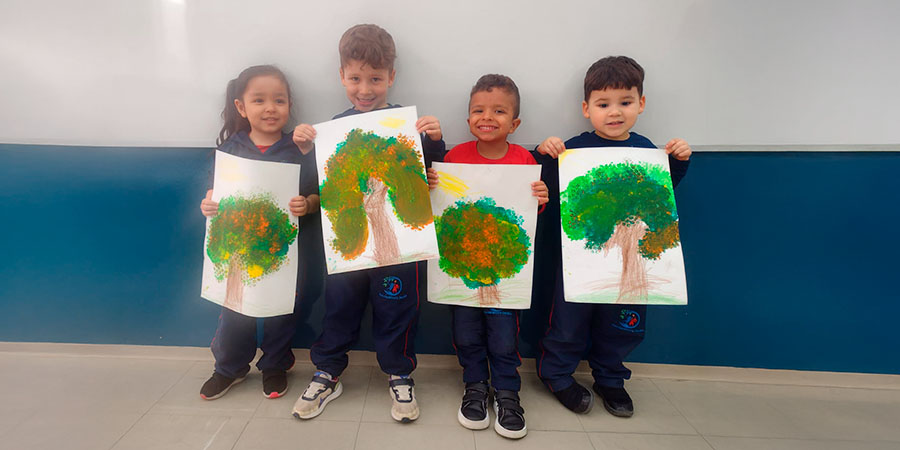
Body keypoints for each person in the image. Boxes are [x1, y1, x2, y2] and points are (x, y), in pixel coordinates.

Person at [290, 24, 445, 423]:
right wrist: (308, 149)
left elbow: (428, 178)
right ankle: (328, 371)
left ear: (391, 77)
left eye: (375, 78)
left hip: (398, 247)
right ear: (342, 76)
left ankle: (399, 371)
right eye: (355, 78)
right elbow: (319, 185)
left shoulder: (406, 127)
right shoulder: (332, 131)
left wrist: (434, 143)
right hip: (350, 242)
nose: (365, 88)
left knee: (398, 308)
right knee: (339, 306)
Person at [533, 56, 692, 417]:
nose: (615, 112)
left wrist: (678, 161)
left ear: (641, 103)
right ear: (586, 108)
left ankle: (611, 378)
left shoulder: (648, 151)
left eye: (625, 102)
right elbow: (548, 193)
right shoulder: (573, 149)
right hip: (580, 259)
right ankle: (556, 374)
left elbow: (662, 198)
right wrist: (546, 154)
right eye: (603, 104)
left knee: (623, 324)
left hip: (633, 260)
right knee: (568, 322)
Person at [430, 74, 547, 439]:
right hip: (463, 271)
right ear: (468, 119)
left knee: (502, 336)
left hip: (504, 275)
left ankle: (509, 393)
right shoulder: (454, 157)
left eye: (499, 111)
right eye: (479, 110)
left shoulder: (525, 160)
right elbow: (444, 208)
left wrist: (540, 199)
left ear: (515, 123)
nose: (488, 117)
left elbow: (526, 219)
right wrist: (433, 186)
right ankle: (475, 387)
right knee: (465, 333)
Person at [199, 65, 320, 400]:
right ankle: (229, 367)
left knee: (281, 309)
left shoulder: (298, 149)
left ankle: (275, 365)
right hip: (238, 249)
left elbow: (315, 194)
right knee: (235, 308)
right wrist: (208, 205)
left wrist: (306, 205)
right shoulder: (230, 151)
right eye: (259, 100)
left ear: (289, 105)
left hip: (282, 251)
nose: (270, 108)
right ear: (242, 107)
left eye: (279, 100)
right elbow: (213, 196)